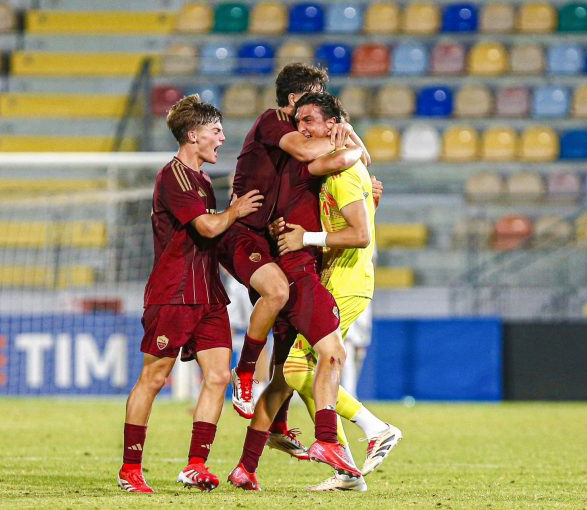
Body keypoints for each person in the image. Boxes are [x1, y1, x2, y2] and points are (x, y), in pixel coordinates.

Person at [227, 70, 371, 490]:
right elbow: (335, 159)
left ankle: (245, 466)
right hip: (298, 270)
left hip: (301, 265)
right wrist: (354, 145)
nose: (304, 127)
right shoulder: (301, 156)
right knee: (330, 354)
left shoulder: (300, 161)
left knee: (284, 377)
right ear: (292, 101)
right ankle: (341, 435)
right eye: (304, 114)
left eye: (315, 117)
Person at [117, 95, 263, 493]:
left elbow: (214, 242)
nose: (222, 138)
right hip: (175, 293)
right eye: (216, 131)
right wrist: (236, 211)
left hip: (209, 296)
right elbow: (208, 228)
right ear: (193, 135)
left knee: (218, 377)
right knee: (154, 376)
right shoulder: (175, 176)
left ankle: (195, 466)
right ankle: (130, 469)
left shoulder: (200, 180)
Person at [277, 92, 403, 491]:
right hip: (338, 280)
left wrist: (305, 239)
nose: (303, 129)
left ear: (334, 125)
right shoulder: (342, 167)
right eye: (299, 122)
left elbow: (361, 236)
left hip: (348, 285)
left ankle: (377, 428)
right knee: (306, 373)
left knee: (298, 369)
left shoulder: (343, 172)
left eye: (310, 120)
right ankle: (347, 471)